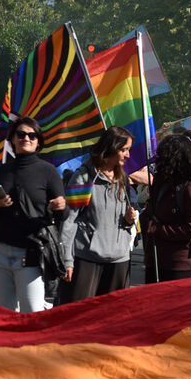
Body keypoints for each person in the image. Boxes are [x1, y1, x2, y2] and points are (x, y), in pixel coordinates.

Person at [0, 117, 65, 312]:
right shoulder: (2, 170)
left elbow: (63, 215)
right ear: (12, 139)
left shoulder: (48, 171)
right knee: (2, 314)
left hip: (29, 253)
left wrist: (60, 206)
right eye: (20, 134)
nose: (25, 138)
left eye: (32, 135)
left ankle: (30, 345)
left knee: (32, 313)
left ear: (38, 141)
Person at [59, 126, 137, 302]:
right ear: (110, 148)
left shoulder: (122, 177)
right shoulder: (83, 178)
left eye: (128, 150)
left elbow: (119, 219)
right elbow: (69, 221)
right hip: (87, 260)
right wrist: (67, 260)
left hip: (119, 260)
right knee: (79, 317)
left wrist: (127, 220)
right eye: (124, 150)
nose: (128, 155)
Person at [141, 134, 191, 281]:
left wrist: (159, 230)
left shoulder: (190, 188)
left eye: (163, 156)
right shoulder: (161, 182)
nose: (159, 160)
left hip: (179, 266)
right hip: (156, 261)